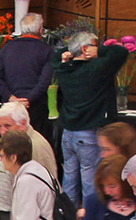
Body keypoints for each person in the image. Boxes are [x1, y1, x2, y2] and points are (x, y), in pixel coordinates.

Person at [54, 31, 131, 210]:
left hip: (67, 133)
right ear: (85, 48)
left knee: (69, 180)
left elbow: (56, 55)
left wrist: (69, 52)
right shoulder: (97, 69)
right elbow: (121, 53)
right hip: (88, 134)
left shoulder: (63, 68)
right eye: (95, 45)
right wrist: (100, 52)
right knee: (90, 182)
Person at [0, 101, 56, 220]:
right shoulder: (9, 142)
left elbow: (47, 188)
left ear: (23, 123)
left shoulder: (36, 146)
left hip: (21, 216)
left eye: (7, 126)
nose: (2, 131)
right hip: (4, 208)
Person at [0, 129, 63, 220]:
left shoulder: (26, 181)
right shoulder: (37, 169)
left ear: (13, 157)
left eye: (2, 156)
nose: (1, 160)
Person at [0, 11, 53, 110]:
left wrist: (11, 98)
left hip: (10, 107)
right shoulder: (46, 50)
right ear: (40, 30)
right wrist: (28, 99)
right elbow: (44, 82)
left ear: (21, 30)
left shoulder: (6, 48)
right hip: (36, 107)